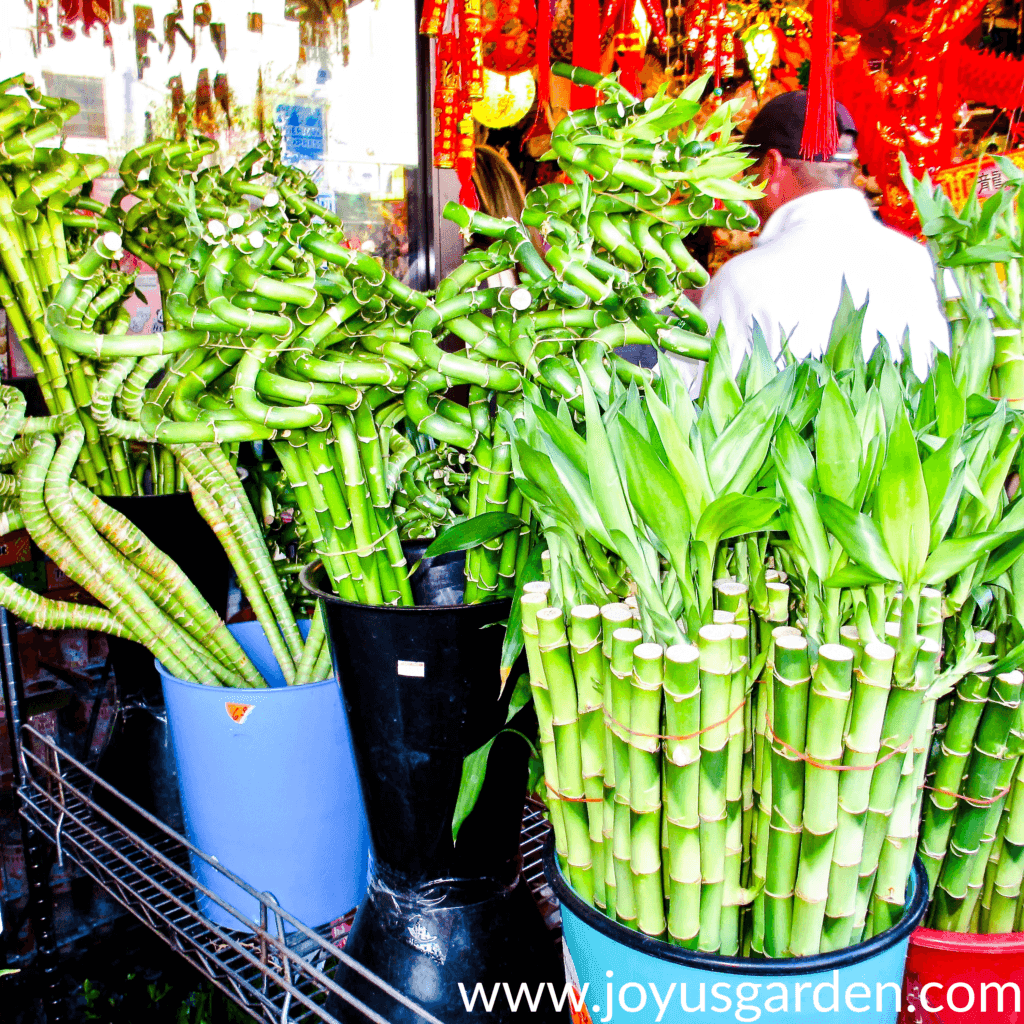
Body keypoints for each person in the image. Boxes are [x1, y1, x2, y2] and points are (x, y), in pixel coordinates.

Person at [699, 91, 949, 379]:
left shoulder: (742, 280)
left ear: (772, 166)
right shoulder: (920, 261)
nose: (746, 195)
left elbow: (694, 392)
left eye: (747, 173)